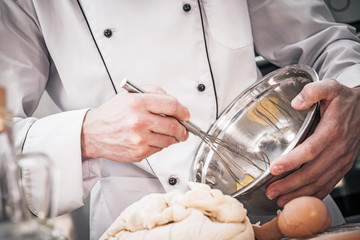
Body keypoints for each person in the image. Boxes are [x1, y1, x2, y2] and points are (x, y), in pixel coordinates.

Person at [1, 0, 359, 239]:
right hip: (142, 224)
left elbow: (327, 43)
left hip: (281, 204)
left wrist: (354, 97)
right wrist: (86, 135)